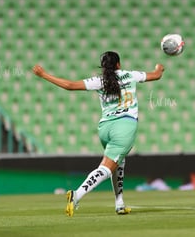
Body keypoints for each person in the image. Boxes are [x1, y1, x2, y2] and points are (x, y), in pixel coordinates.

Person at [33, 51, 165, 216]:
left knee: (118, 163)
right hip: (124, 126)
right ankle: (77, 195)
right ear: (118, 64)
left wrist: (44, 74)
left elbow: (70, 86)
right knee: (106, 168)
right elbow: (156, 75)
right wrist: (159, 67)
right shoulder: (130, 75)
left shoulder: (100, 81)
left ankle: (119, 203)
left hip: (105, 128)